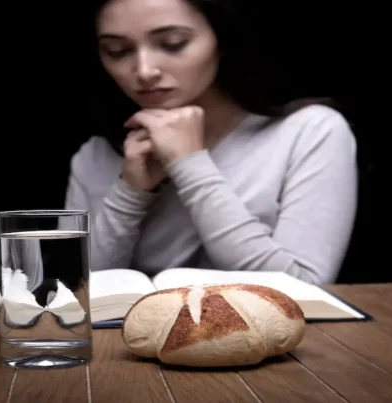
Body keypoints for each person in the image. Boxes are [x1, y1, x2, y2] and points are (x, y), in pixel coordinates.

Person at [64, 0, 358, 285]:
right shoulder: (96, 155)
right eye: (117, 51)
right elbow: (76, 295)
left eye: (173, 43)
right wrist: (130, 193)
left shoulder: (309, 132)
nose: (144, 70)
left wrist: (190, 165)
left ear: (222, 38)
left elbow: (305, 288)